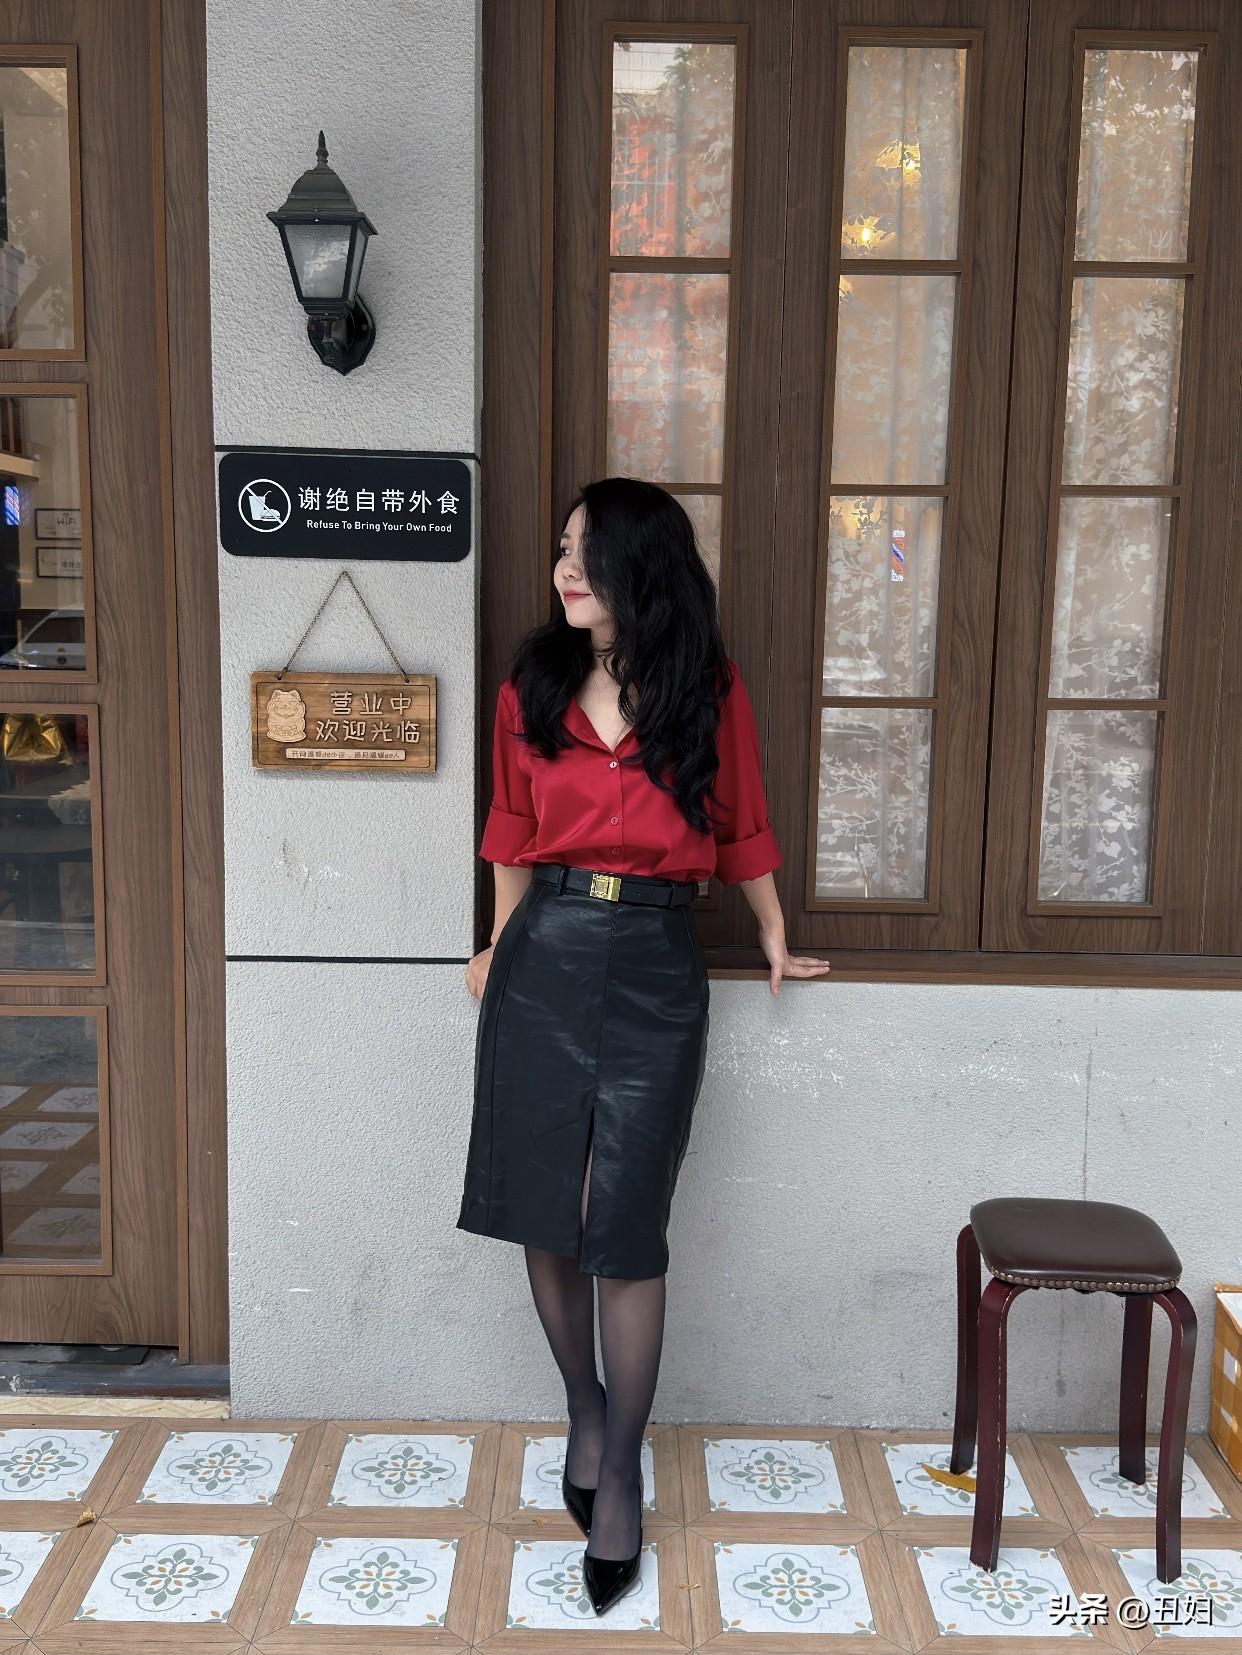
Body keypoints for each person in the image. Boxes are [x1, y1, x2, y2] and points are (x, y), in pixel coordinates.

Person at [457, 476, 831, 1616]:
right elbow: (510, 832)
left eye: (588, 551)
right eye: (562, 548)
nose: (565, 569)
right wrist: (497, 943)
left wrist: (772, 932)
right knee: (545, 1204)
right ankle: (584, 1408)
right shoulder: (531, 686)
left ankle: (619, 1465)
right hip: (549, 954)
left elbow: (742, 818)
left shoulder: (705, 687)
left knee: (623, 1221)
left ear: (641, 565)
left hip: (660, 963)